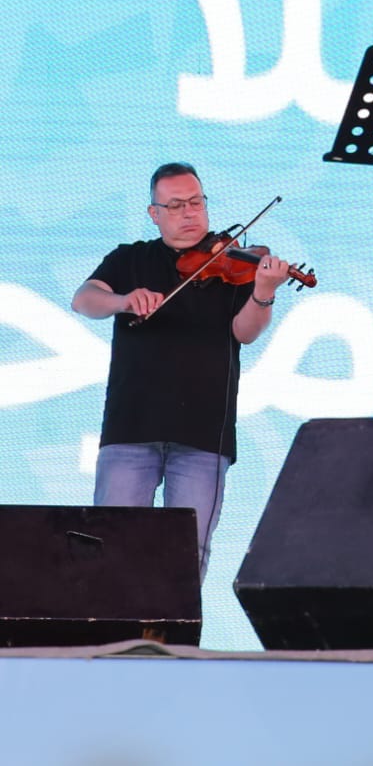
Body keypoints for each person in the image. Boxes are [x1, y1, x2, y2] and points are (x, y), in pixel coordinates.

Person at [71, 162, 290, 580]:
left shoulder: (234, 262)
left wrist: (263, 292)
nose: (189, 213)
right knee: (111, 544)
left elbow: (245, 333)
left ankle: (174, 627)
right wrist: (123, 301)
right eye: (175, 206)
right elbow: (84, 299)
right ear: (154, 213)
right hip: (131, 428)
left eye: (196, 202)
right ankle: (111, 626)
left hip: (204, 433)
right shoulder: (130, 258)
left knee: (188, 554)